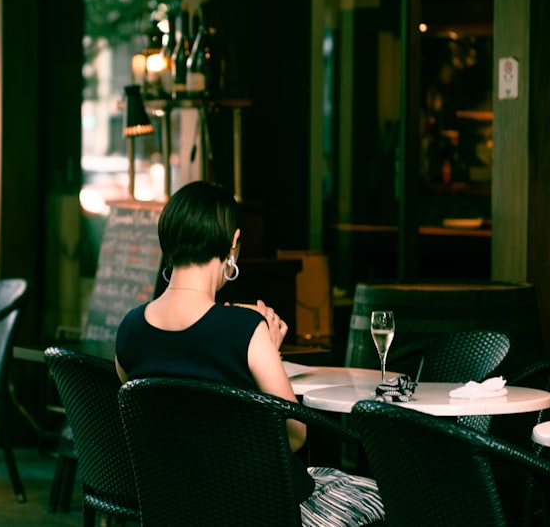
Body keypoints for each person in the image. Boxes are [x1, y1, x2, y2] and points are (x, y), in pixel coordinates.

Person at [115, 180, 386, 527]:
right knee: (388, 495)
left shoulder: (129, 328)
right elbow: (294, 435)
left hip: (178, 504)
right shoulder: (246, 328)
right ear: (232, 244)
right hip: (267, 507)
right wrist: (266, 351)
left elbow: (144, 416)